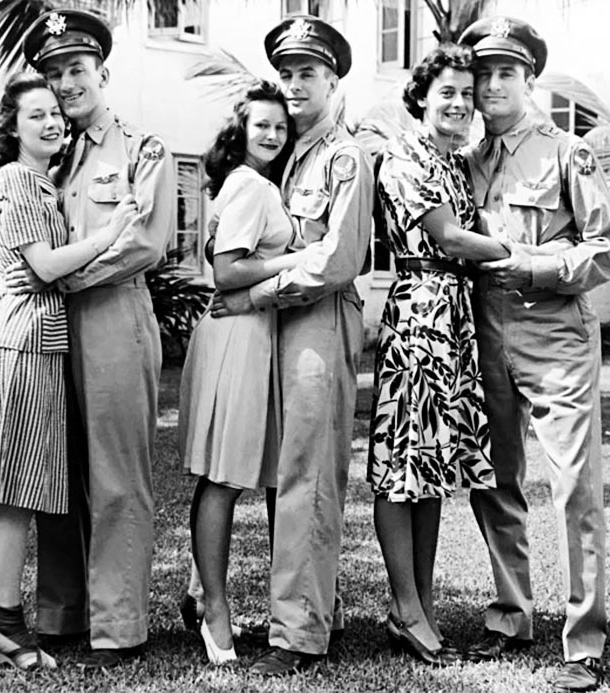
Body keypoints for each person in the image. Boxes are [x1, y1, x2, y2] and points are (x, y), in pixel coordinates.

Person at [0, 9, 174, 670]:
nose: (65, 85)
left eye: (76, 69)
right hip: (50, 328)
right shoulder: (43, 159)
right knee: (55, 477)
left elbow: (145, 242)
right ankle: (61, 612)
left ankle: (119, 625)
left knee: (117, 477)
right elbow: (12, 236)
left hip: (113, 317)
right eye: (53, 74)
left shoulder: (142, 148)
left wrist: (56, 271)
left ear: (101, 72)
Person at [0, 72, 136, 671]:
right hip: (24, 350)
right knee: (13, 494)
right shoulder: (21, 183)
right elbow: (46, 266)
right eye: (36, 115)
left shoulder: (24, 183)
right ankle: (4, 626)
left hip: (13, 343)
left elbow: (10, 246)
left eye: (56, 113)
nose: (52, 122)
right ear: (12, 128)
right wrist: (108, 233)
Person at [459, 16, 610, 692]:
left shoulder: (565, 152)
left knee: (573, 488)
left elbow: (608, 249)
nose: (492, 84)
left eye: (506, 71)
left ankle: (583, 641)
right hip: (486, 333)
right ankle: (510, 616)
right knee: (496, 480)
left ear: (528, 78)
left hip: (554, 333)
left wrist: (533, 266)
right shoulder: (466, 160)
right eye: (483, 73)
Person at [209, 15, 374, 676]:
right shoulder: (274, 154)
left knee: (306, 473)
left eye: (310, 73)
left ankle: (299, 633)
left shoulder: (343, 157)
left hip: (319, 320)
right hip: (274, 329)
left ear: (334, 81)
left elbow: (336, 260)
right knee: (280, 470)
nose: (297, 85)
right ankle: (293, 608)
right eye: (288, 73)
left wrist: (252, 294)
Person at [367, 44, 502, 668]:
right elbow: (446, 236)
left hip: (454, 314)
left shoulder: (450, 163)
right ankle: (405, 604)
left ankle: (418, 603)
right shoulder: (404, 157)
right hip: (420, 312)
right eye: (446, 92)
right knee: (402, 466)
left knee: (432, 468)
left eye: (467, 96)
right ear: (421, 96)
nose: (458, 104)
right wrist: (515, 249)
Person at [178, 80, 301, 665]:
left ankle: (201, 592)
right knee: (226, 476)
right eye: (262, 126)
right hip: (238, 336)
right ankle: (217, 614)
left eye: (281, 126)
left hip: (249, 335)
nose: (273, 135)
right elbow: (228, 271)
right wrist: (303, 256)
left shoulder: (251, 184)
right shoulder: (250, 186)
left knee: (228, 473)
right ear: (240, 132)